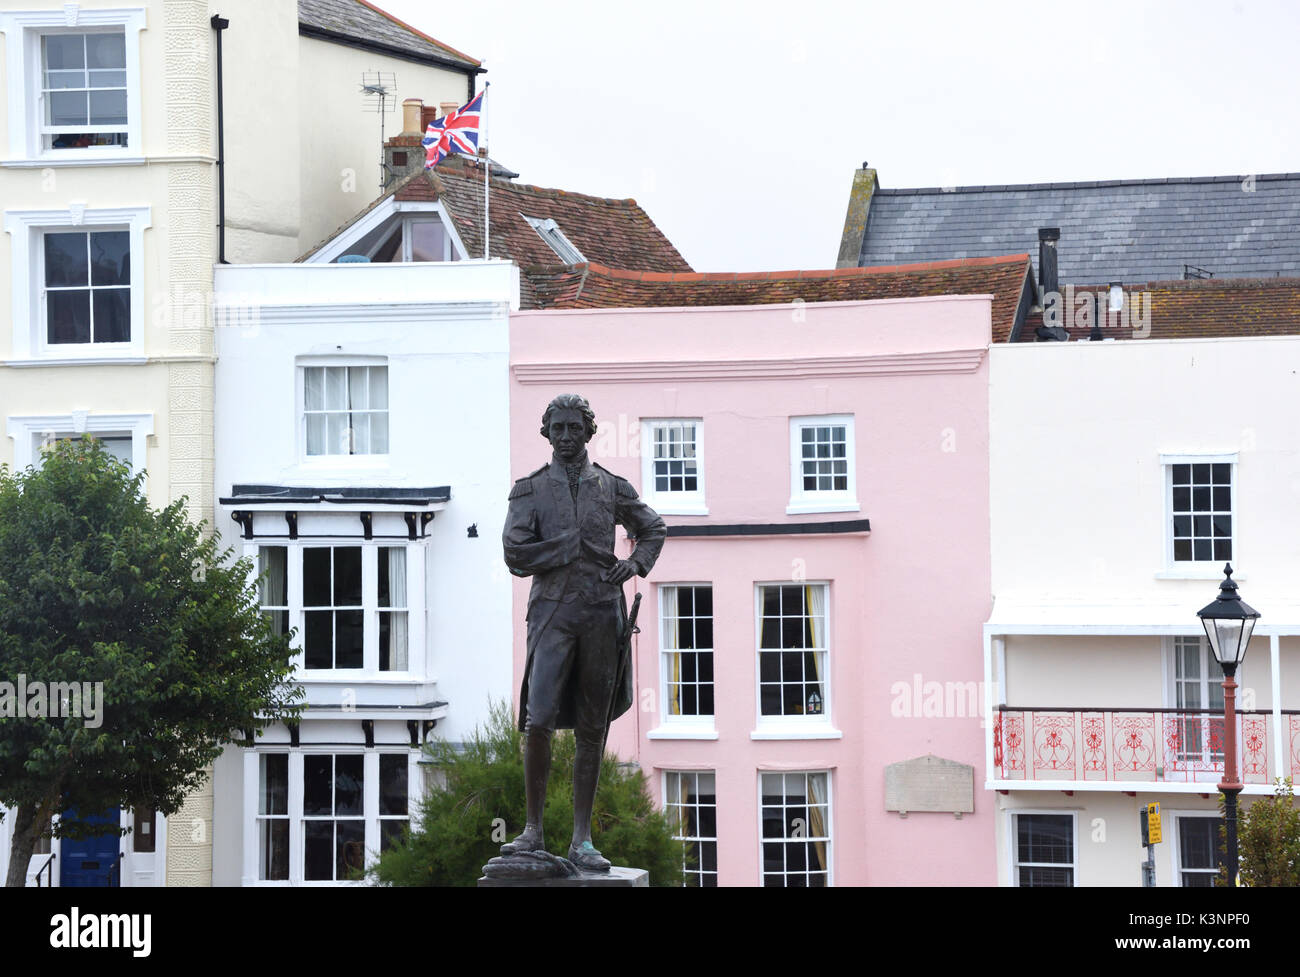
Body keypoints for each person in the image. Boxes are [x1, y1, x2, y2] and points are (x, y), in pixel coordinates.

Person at [501, 394, 666, 870]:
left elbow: (653, 528)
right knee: (539, 718)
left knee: (594, 727)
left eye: (575, 428)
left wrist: (634, 563)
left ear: (588, 432)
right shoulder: (528, 490)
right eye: (559, 428)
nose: (567, 436)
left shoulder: (612, 487)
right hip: (552, 615)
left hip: (600, 614)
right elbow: (515, 553)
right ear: (547, 433)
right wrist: (565, 548)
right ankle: (532, 830)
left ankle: (581, 839)